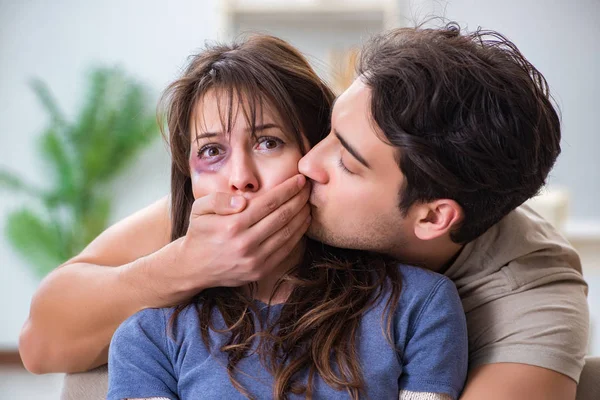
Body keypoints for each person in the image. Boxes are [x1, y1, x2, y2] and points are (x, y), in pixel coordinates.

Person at [19, 23, 588, 400]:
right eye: (327, 132)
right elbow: (42, 343)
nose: (311, 163)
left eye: (347, 159)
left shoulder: (531, 296)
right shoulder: (244, 207)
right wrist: (188, 265)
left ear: (433, 217)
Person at [106, 35, 467, 400]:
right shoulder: (148, 338)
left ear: (315, 150)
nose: (240, 177)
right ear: (190, 180)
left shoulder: (420, 306)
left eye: (268, 142)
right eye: (212, 150)